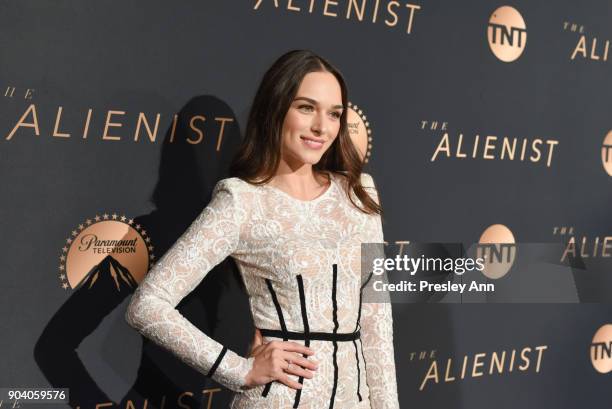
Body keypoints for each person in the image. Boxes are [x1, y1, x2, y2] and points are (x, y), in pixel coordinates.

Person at [125, 49, 400, 408]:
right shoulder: (242, 201)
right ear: (276, 109)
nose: (322, 126)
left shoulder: (359, 194)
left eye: (334, 114)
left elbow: (376, 321)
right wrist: (237, 371)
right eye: (306, 108)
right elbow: (147, 305)